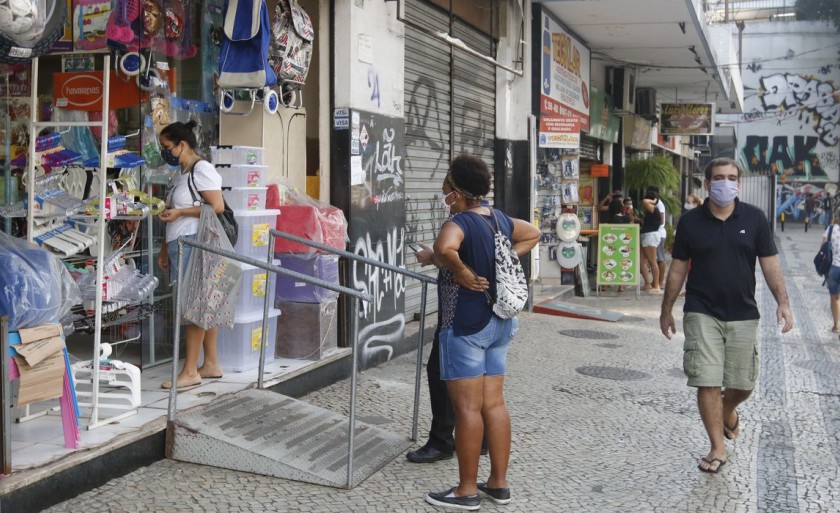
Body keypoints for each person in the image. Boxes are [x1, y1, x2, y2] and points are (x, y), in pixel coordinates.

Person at [660, 157, 794, 474]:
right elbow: (678, 268)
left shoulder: (756, 219)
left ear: (739, 183)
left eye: (731, 177)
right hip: (701, 310)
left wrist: (784, 303)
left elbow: (770, 264)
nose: (725, 183)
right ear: (707, 184)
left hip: (743, 312)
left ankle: (729, 408)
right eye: (718, 177)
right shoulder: (691, 222)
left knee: (744, 382)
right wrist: (666, 310)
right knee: (706, 380)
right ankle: (717, 448)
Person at [423, 155, 539, 510]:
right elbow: (532, 233)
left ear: (457, 191)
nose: (445, 194)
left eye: (447, 187)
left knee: (468, 410)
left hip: (466, 325)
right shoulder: (499, 218)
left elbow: (446, 247)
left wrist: (459, 270)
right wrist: (498, 259)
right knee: (494, 404)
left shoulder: (458, 221)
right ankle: (498, 484)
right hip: (500, 324)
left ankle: (466, 491)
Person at [157, 120, 226, 389]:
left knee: (193, 306)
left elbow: (216, 206)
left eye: (166, 147)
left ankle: (189, 371)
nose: (164, 152)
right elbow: (173, 213)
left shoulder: (202, 169)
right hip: (180, 242)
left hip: (195, 243)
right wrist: (165, 246)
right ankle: (210, 364)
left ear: (181, 145)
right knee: (201, 303)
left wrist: (181, 213)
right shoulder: (182, 174)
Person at [640, 191, 663, 293]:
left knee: (652, 261)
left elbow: (645, 201)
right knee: (641, 262)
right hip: (646, 235)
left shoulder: (654, 208)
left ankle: (656, 285)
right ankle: (647, 283)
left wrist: (654, 201)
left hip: (650, 235)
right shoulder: (650, 211)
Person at [822, 209, 840, 333]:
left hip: (833, 267)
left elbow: (823, 247)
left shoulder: (831, 229)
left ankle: (835, 325)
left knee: (834, 298)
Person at [648, 186, 667, 288]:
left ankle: (660, 282)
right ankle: (656, 281)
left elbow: (662, 220)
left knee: (660, 258)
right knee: (656, 258)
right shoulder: (653, 204)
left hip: (659, 233)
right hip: (656, 233)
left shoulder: (659, 204)